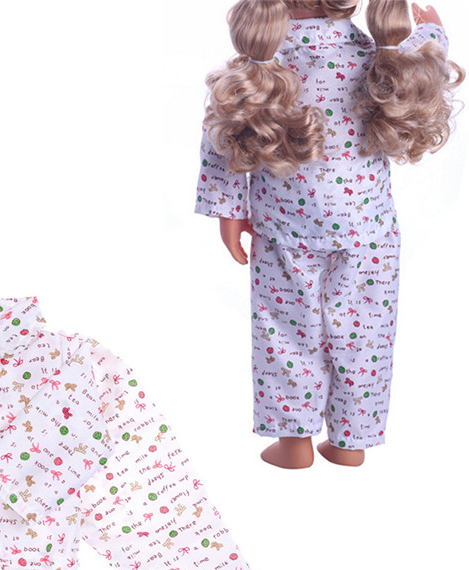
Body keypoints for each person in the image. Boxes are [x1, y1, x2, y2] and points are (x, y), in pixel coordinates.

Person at [194, 0, 464, 468]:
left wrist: (229, 212)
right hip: (368, 231)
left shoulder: (261, 65)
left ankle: (294, 444)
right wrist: (435, 33)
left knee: (285, 334)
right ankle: (350, 443)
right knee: (366, 335)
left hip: (284, 231)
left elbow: (223, 133)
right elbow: (428, 66)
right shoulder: (381, 58)